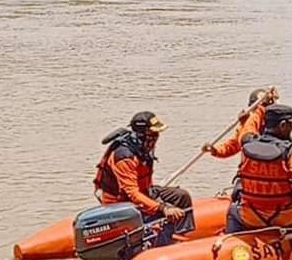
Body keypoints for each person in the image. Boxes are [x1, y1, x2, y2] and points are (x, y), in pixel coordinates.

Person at [94, 111, 195, 246]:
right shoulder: (124, 157)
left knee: (181, 196)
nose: (156, 138)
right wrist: (162, 207)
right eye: (153, 134)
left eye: (157, 134)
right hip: (121, 202)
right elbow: (132, 193)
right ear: (141, 134)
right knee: (162, 215)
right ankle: (161, 245)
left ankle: (179, 235)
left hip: (144, 192)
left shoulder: (143, 148)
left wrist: (155, 199)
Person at [225, 104, 292, 233]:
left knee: (233, 209)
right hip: (284, 219)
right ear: (283, 125)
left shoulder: (247, 145)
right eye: (291, 124)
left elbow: (248, 128)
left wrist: (261, 107)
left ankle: (232, 241)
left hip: (252, 218)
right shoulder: (290, 152)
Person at [201, 87, 278, 158]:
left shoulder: (279, 125)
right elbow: (232, 146)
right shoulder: (246, 125)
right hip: (250, 170)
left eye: (263, 106)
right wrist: (215, 150)